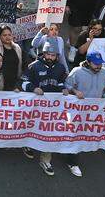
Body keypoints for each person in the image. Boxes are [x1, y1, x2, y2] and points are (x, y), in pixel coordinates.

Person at [62, 52, 105, 176]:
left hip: (94, 111)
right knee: (77, 135)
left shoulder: (104, 72)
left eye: (100, 64)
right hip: (78, 110)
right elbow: (67, 85)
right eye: (96, 64)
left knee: (85, 134)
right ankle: (72, 162)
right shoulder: (77, 72)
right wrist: (75, 91)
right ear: (88, 62)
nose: (99, 66)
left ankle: (69, 149)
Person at [21, 43, 67, 175]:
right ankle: (27, 143)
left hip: (52, 107)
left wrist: (63, 89)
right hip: (35, 105)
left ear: (57, 56)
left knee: (49, 130)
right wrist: (33, 88)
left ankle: (46, 160)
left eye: (53, 55)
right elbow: (23, 82)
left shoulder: (61, 67)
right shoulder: (34, 66)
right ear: (43, 53)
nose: (50, 57)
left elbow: (61, 82)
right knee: (32, 125)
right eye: (48, 54)